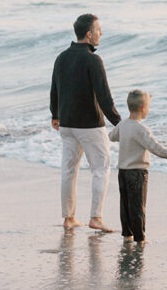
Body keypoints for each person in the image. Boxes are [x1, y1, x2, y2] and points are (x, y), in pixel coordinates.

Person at [50, 13, 121, 232]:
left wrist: (55, 114)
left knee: (69, 170)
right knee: (101, 169)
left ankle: (69, 218)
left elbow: (54, 89)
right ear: (89, 34)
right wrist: (119, 123)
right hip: (90, 124)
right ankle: (96, 218)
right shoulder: (93, 60)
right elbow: (104, 96)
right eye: (99, 30)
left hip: (67, 123)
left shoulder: (62, 57)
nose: (101, 33)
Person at [108, 89, 167, 244]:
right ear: (143, 108)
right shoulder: (141, 130)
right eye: (148, 107)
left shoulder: (123, 125)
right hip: (138, 173)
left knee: (126, 205)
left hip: (122, 172)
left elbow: (111, 136)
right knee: (138, 206)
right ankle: (140, 238)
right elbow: (155, 148)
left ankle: (127, 235)